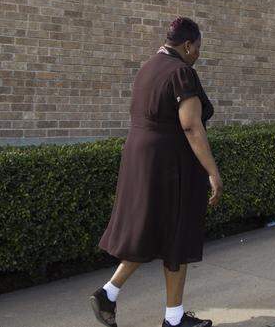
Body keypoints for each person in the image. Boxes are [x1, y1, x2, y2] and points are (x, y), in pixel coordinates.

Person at [91, 17, 222, 327]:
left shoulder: (147, 68)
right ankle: (174, 321)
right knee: (178, 236)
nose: (198, 55)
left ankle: (108, 293)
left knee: (152, 232)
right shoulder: (181, 72)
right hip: (171, 166)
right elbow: (190, 125)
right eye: (198, 48)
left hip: (142, 160)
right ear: (188, 45)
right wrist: (213, 171)